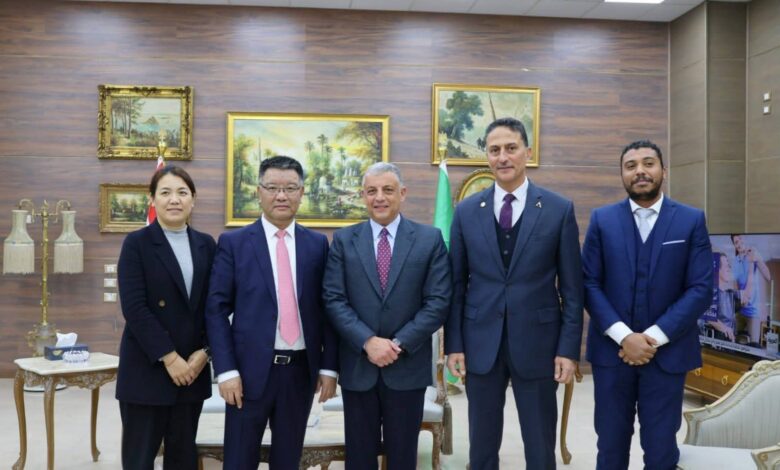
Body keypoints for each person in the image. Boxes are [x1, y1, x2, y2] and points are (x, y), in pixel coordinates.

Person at [445, 117, 583, 470]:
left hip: (539, 343)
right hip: (480, 343)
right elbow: (456, 285)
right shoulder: (466, 212)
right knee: (481, 447)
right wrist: (454, 344)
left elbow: (572, 289)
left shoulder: (558, 209)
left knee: (539, 446)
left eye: (511, 148)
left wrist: (568, 350)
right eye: (494, 150)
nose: (503, 157)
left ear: (528, 152)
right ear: (487, 157)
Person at [582, 140, 713, 470]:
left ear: (663, 171)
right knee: (610, 448)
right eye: (631, 166)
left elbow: (700, 288)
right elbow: (588, 283)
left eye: (648, 163)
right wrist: (625, 337)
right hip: (612, 355)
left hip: (667, 355)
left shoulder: (690, 220)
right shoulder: (602, 220)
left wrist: (651, 338)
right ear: (622, 175)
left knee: (660, 450)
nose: (640, 171)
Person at [205, 156, 338, 469]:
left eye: (290, 188)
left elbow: (328, 309)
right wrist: (226, 371)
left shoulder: (317, 244)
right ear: (258, 192)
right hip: (246, 373)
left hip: (300, 372)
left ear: (301, 193)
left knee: (288, 460)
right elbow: (216, 310)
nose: (281, 196)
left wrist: (329, 368)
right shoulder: (234, 243)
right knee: (239, 460)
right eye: (273, 188)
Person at [323, 162, 451, 470]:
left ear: (402, 193)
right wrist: (368, 341)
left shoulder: (429, 239)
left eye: (387, 190)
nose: (379, 197)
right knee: (359, 457)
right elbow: (333, 298)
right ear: (363, 196)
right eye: (371, 191)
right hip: (359, 367)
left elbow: (438, 301)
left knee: (403, 457)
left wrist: (398, 343)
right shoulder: (344, 240)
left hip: (407, 367)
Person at [116, 165, 216, 470]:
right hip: (148, 368)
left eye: (182, 192)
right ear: (152, 199)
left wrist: (205, 353)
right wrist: (170, 358)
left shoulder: (207, 245)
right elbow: (134, 308)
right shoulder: (137, 244)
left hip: (192, 370)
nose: (175, 199)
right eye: (166, 192)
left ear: (193, 200)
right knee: (139, 459)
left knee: (183, 458)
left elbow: (215, 306)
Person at [731, 234, 772, 345]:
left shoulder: (754, 254)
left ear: (745, 238)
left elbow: (768, 277)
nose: (739, 243)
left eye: (740, 239)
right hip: (740, 310)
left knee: (754, 345)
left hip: (753, 311)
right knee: (735, 343)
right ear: (734, 246)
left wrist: (756, 259)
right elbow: (736, 286)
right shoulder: (735, 261)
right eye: (736, 242)